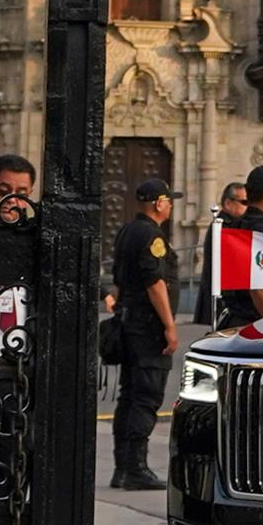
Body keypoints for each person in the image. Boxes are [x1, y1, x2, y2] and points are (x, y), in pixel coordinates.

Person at [104, 178, 180, 488]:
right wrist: (169, 325)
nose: (171, 206)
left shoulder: (127, 230)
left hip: (129, 322)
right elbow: (155, 282)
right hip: (148, 328)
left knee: (130, 396)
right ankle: (135, 468)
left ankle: (123, 468)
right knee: (146, 396)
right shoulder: (152, 235)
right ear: (158, 203)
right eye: (169, 201)